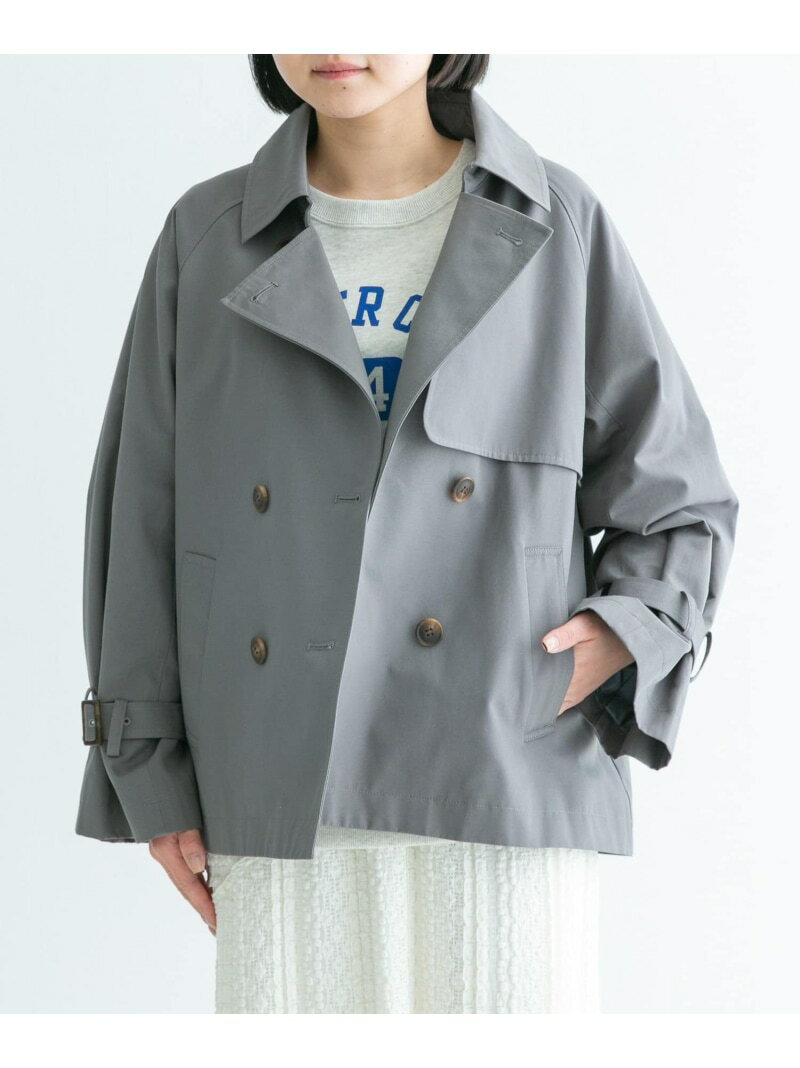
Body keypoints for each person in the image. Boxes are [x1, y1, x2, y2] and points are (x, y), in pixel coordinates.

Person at [76, 54, 738, 1014]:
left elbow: (678, 495)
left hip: (504, 776)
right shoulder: (208, 236)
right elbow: (142, 515)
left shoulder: (556, 221)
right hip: (277, 784)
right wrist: (150, 772)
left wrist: (618, 638)